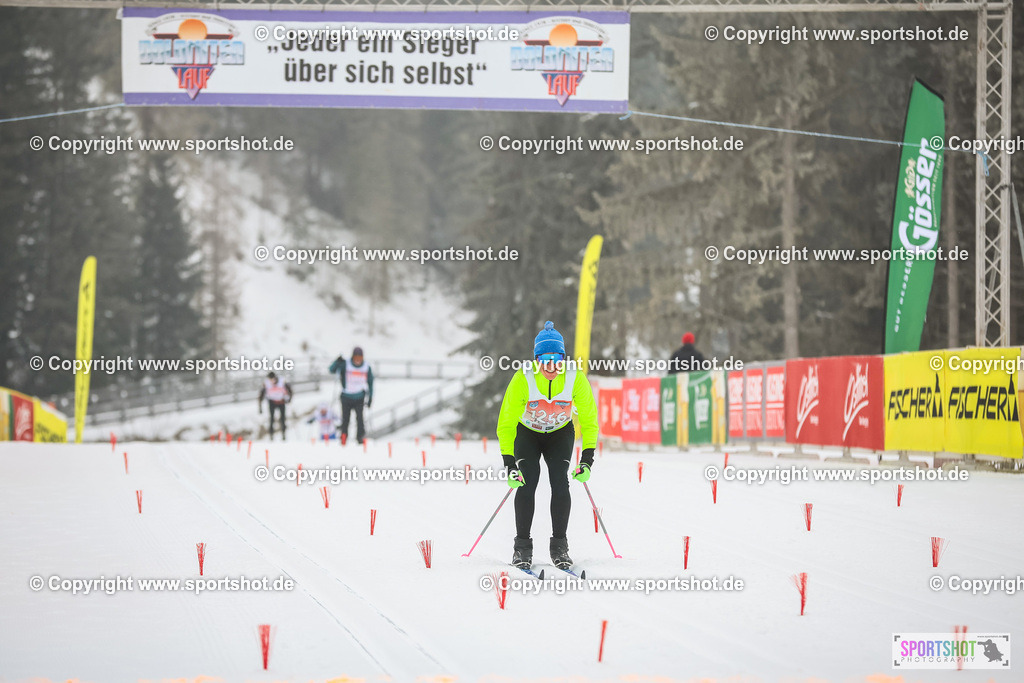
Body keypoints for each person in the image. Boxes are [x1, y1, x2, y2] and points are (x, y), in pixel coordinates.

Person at [496, 321, 599, 571]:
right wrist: (509, 463)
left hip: (559, 434)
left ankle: (559, 546)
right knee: (527, 480)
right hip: (527, 434)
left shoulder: (575, 377)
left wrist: (587, 458)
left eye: (557, 358)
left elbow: (589, 419)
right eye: (545, 359)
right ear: (536, 360)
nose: (552, 365)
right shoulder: (523, 377)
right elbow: (506, 422)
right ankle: (522, 548)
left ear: (564, 358)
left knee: (559, 481)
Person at [329, 346, 374, 445]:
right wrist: (337, 361)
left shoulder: (366, 367)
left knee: (360, 418)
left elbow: (370, 383)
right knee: (345, 419)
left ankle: (360, 437)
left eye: (360, 358)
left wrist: (370, 397)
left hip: (359, 397)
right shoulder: (346, 364)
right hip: (346, 396)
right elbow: (332, 370)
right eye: (356, 357)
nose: (358, 360)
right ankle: (344, 437)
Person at [258, 371, 293, 440]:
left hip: (281, 401)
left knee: (282, 419)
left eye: (272, 379)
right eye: (270, 380)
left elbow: (290, 390)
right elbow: (261, 395)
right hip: (272, 402)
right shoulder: (267, 383)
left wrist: (289, 399)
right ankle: (271, 435)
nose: (271, 381)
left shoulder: (282, 381)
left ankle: (283, 434)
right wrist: (260, 407)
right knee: (271, 419)